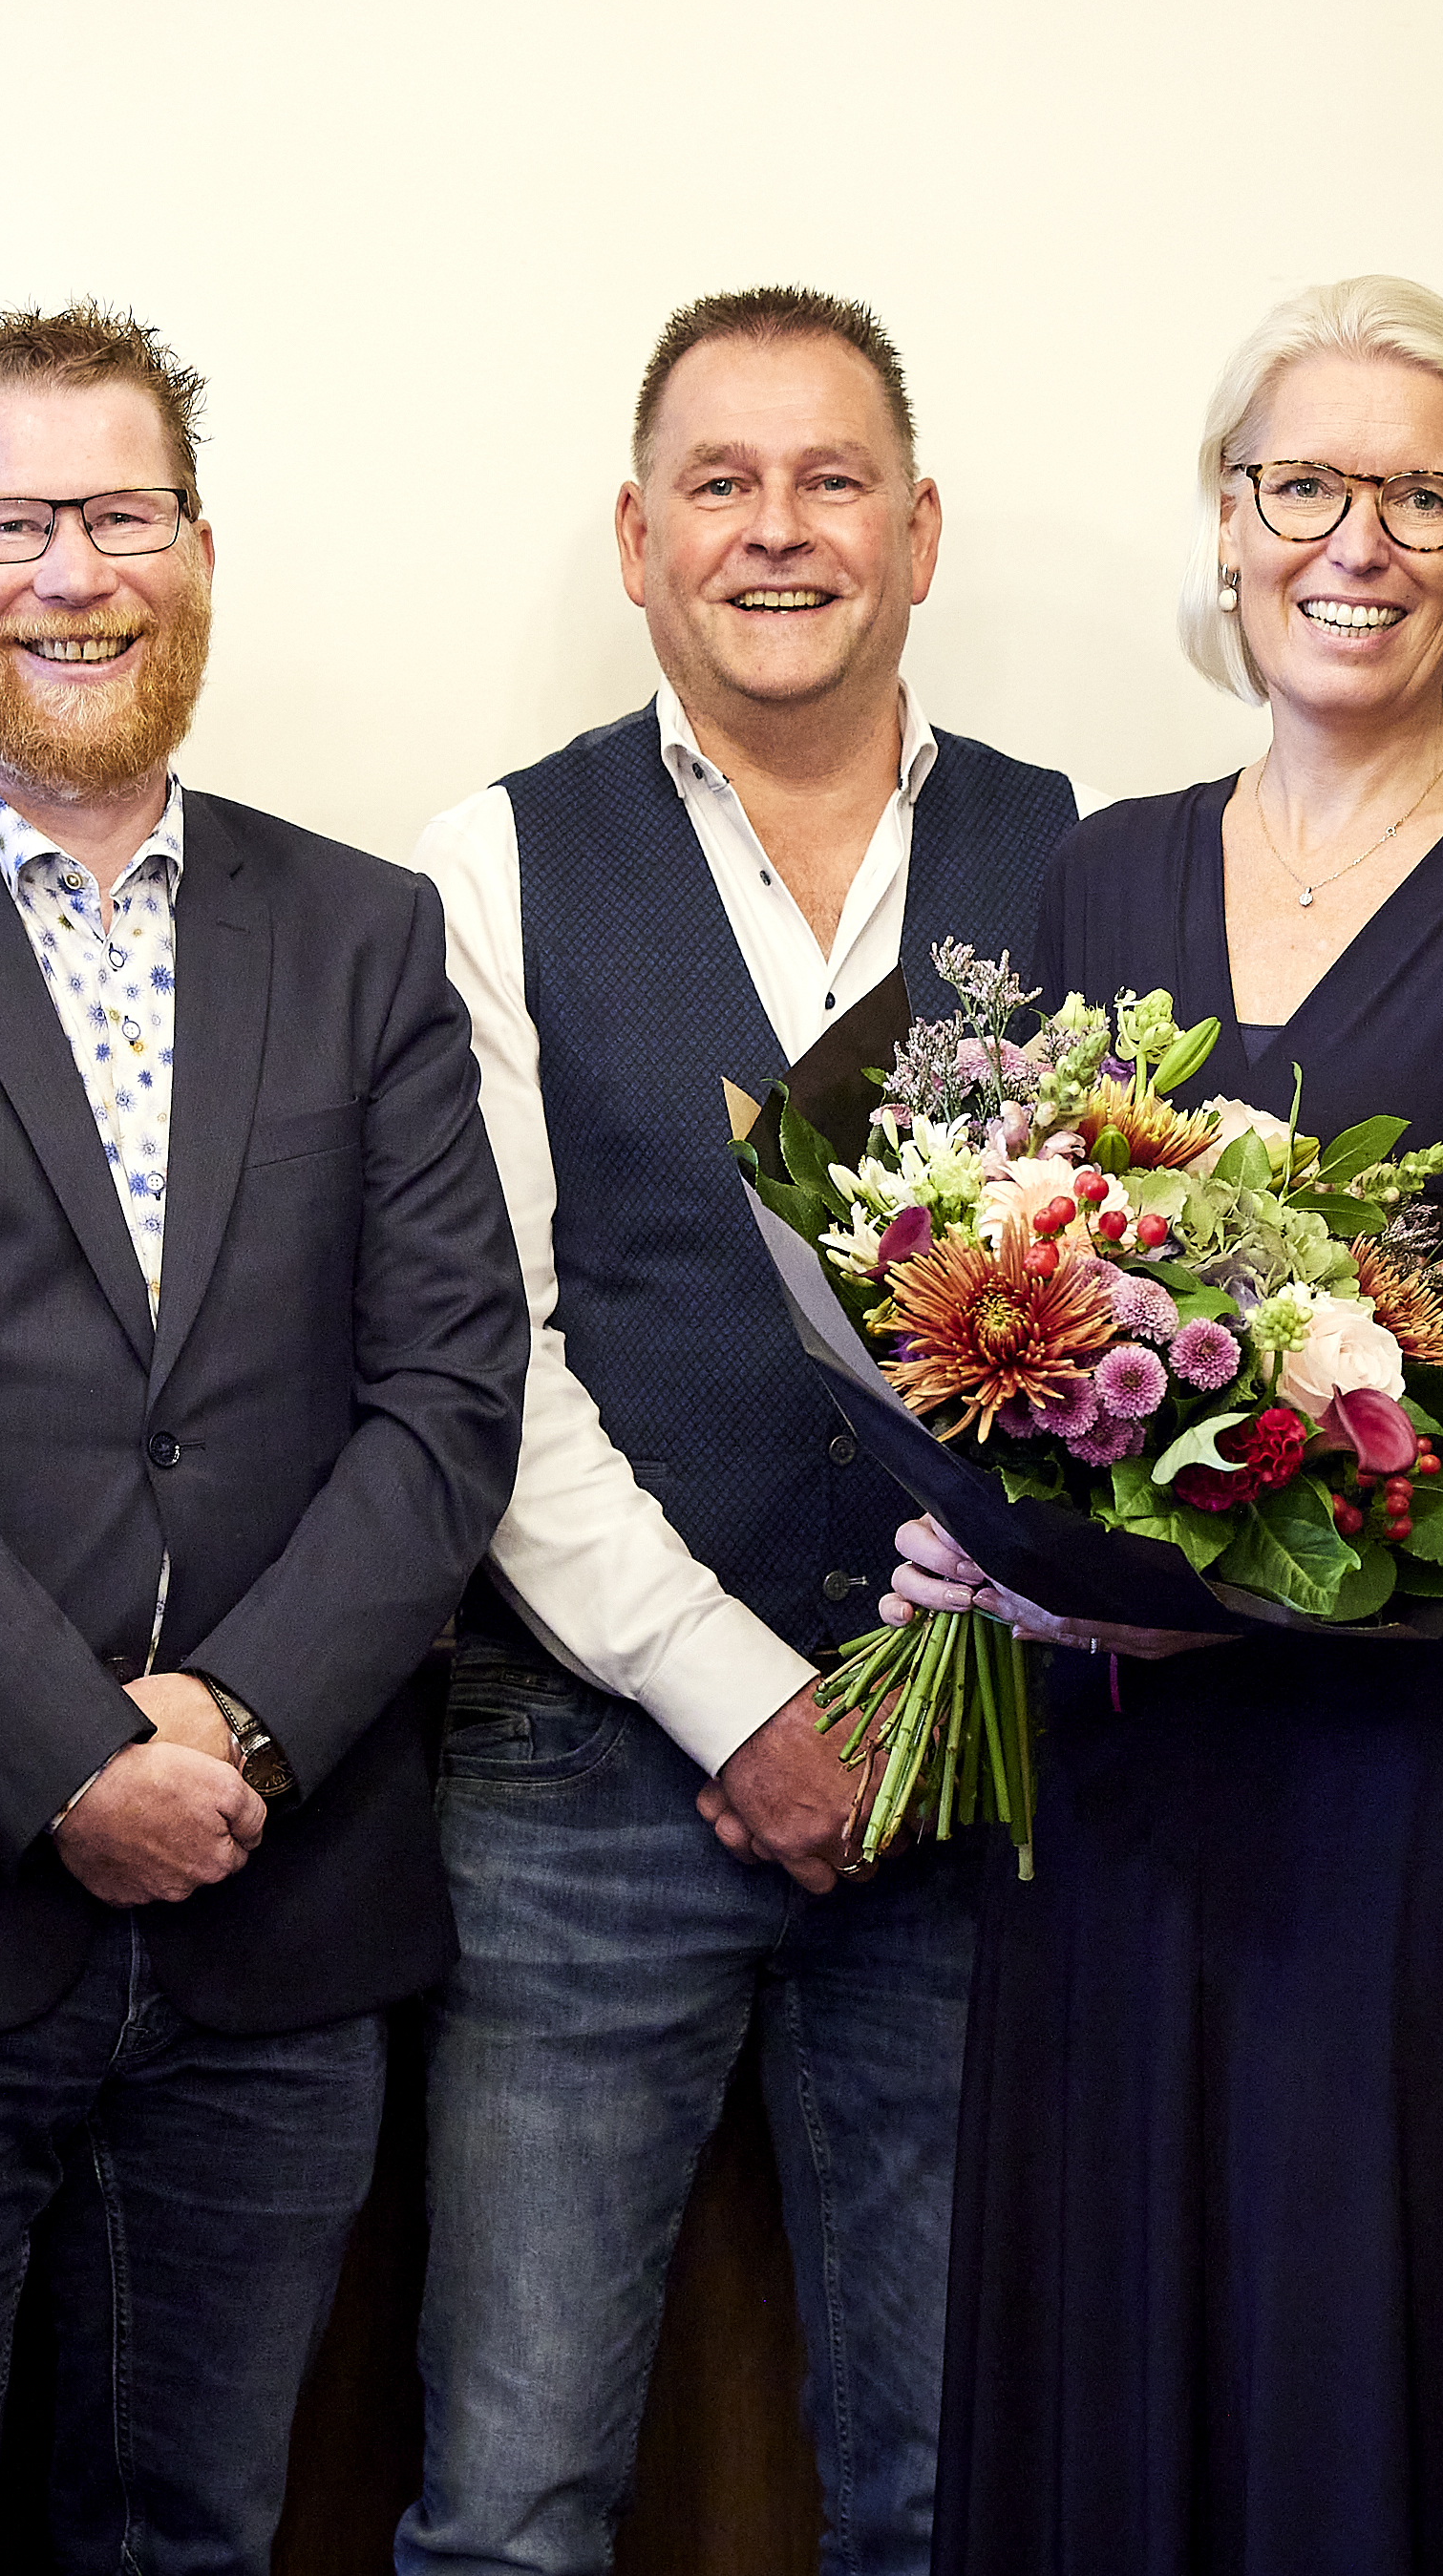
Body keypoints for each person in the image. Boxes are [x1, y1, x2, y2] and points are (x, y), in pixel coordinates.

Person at [0, 304, 528, 2576]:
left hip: (277, 1913)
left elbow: (446, 1398)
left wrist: (222, 1730)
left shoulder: (358, 933)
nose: (70, 574)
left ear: (199, 554)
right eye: (10, 522)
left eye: (117, 515)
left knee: (192, 2540)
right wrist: (70, 1758)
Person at [896, 277, 1443, 2573]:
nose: (1355, 541)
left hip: (1407, 1762)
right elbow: (1000, 1302)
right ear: (1227, 526)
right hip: (1127, 1764)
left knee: (1379, 2357)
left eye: (1422, 494)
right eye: (1302, 484)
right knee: (1121, 2346)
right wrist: (1013, 1523)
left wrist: (1287, 1570)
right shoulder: (1098, 872)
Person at [396, 286, 1074, 2576]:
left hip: (982, 1767)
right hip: (581, 1780)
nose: (774, 532)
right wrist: (739, 1700)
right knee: (506, 2508)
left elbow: (1130, 1336)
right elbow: (488, 1362)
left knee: (949, 2491)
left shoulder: (1080, 862)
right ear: (633, 533)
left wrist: (924, 1685)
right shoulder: (483, 863)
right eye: (720, 481)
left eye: (828, 479)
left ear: (917, 529)